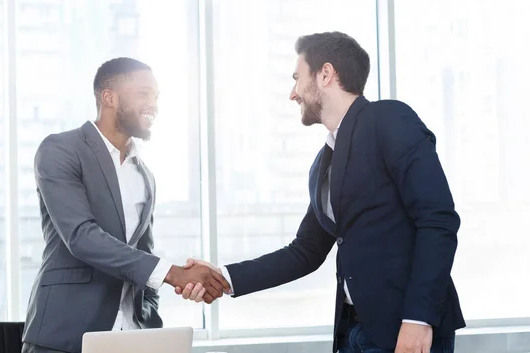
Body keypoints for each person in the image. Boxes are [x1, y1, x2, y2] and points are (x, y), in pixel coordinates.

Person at [175, 32, 465, 353]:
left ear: (325, 74)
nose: (292, 93)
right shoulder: (324, 162)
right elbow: (306, 251)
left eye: (297, 78)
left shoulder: (389, 119)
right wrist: (224, 277)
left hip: (403, 330)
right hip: (354, 331)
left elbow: (437, 220)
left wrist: (418, 319)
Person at [21, 57, 230, 353]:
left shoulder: (144, 174)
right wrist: (174, 274)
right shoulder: (60, 150)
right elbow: (81, 237)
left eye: (156, 96)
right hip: (66, 334)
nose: (153, 105)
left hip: (134, 336)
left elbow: (143, 251)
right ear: (109, 97)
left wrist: (151, 323)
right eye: (144, 93)